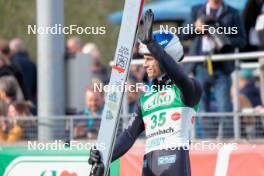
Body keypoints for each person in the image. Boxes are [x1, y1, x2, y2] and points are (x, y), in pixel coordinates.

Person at [88, 10, 202, 176]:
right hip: (149, 168)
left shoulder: (189, 89)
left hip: (175, 166)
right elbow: (128, 135)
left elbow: (181, 78)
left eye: (150, 58)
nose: (145, 64)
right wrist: (104, 156)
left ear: (165, 56)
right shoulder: (146, 99)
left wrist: (153, 46)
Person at [180, 0, 247, 138]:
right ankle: (208, 142)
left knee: (224, 107)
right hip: (200, 66)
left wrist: (223, 38)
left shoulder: (233, 12)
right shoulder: (196, 10)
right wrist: (195, 27)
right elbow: (182, 34)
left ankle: (229, 142)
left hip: (222, 67)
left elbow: (242, 40)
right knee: (202, 110)